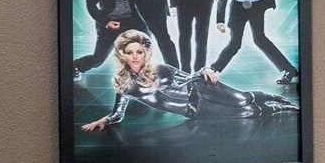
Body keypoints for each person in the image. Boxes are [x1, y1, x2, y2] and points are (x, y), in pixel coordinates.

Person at [80, 30, 295, 136]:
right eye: (130, 52)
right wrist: (104, 120)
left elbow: (188, 76)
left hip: (200, 88)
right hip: (193, 110)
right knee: (247, 112)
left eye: (139, 51)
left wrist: (204, 70)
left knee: (241, 100)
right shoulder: (124, 86)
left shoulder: (161, 68)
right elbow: (118, 114)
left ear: (146, 53)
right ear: (122, 55)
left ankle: (277, 98)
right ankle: (279, 110)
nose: (135, 57)